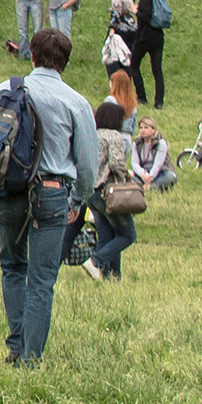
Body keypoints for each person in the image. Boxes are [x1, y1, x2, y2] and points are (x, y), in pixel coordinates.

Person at [0, 28, 99, 366]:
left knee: (12, 267)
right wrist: (78, 201)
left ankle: (16, 345)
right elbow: (89, 164)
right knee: (42, 280)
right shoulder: (76, 102)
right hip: (53, 193)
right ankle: (31, 358)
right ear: (65, 62)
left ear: (31, 56)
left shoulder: (7, 89)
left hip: (9, 191)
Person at [87, 101, 146, 278]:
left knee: (107, 235)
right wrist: (126, 176)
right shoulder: (113, 136)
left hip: (91, 192)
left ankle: (111, 275)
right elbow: (116, 163)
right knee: (128, 235)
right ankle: (95, 261)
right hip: (107, 192)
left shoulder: (92, 135)